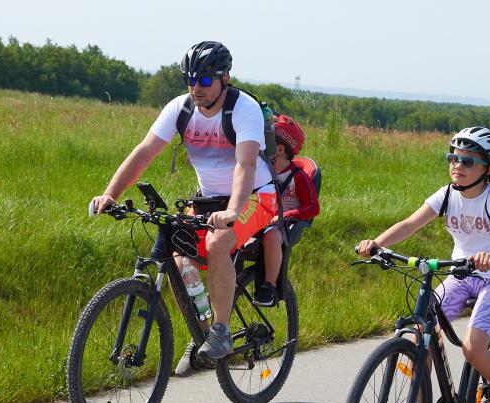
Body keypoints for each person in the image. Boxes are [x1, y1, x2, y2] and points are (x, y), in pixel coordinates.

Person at [89, 41, 278, 374]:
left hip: (254, 196)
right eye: (190, 80)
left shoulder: (242, 108)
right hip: (208, 200)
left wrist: (233, 211)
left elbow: (245, 164)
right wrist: (110, 194)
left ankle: (220, 332)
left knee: (219, 242)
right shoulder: (181, 109)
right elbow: (144, 153)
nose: (196, 87)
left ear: (225, 78)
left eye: (204, 80)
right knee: (179, 255)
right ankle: (200, 331)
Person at [356, 126, 490, 403]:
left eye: (467, 161)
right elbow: (409, 224)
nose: (457, 165)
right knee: (419, 332)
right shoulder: (447, 194)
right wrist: (376, 244)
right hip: (460, 273)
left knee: (473, 348)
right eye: (453, 158)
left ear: (488, 169)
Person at [252, 114, 320, 307]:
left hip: (283, 225)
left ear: (280, 149)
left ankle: (269, 286)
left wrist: (286, 216)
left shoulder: (298, 177)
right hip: (258, 219)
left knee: (272, 235)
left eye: (266, 143)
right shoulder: (262, 171)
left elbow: (313, 207)